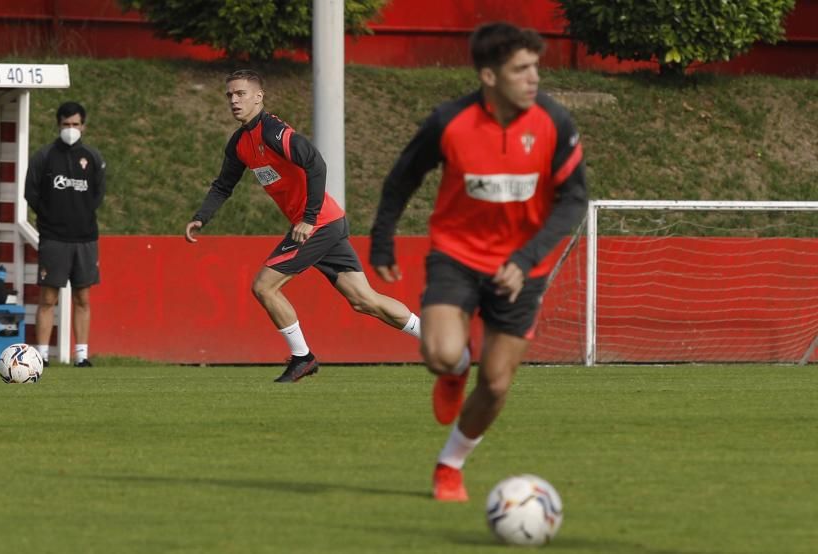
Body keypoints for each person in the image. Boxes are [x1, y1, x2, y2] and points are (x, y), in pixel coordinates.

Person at [370, 23, 588, 502]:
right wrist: (382, 238)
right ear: (489, 75)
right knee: (443, 354)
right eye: (521, 69)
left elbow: (574, 201)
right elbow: (402, 178)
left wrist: (526, 256)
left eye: (536, 67)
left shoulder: (555, 122)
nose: (534, 78)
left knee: (495, 384)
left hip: (522, 270)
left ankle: (450, 465)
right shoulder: (449, 120)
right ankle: (454, 369)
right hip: (457, 256)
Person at [185, 69, 466, 383]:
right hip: (327, 222)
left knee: (264, 286)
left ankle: (302, 358)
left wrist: (308, 217)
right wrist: (201, 217)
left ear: (259, 97)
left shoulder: (273, 131)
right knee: (364, 300)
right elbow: (224, 185)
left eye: (240, 93)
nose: (234, 100)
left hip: (317, 224)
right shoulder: (240, 142)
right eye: (230, 95)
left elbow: (315, 163)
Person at [25, 102, 106, 367]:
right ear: (58, 125)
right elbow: (31, 193)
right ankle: (42, 356)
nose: (70, 129)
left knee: (83, 297)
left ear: (83, 126)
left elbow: (97, 194)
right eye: (66, 125)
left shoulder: (93, 157)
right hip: (54, 239)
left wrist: (80, 215)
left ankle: (81, 355)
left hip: (85, 238)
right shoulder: (44, 156)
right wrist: (50, 218)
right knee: (48, 298)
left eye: (75, 125)